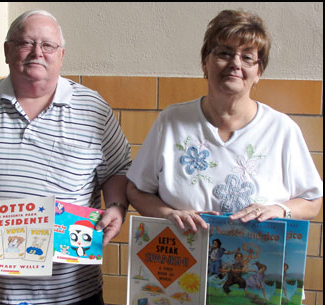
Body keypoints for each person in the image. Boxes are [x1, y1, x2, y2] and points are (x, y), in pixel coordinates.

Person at [0, 10, 131, 305]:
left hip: (72, 291)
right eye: (26, 43)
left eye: (48, 46)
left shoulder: (93, 108)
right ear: (8, 51)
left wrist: (116, 206)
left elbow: (116, 169)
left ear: (61, 55)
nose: (37, 53)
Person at [126, 9, 322, 232]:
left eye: (247, 57)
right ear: (205, 63)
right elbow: (136, 190)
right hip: (182, 262)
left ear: (259, 72)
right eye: (224, 53)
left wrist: (280, 209)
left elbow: (313, 202)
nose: (235, 63)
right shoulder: (171, 121)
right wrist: (170, 214)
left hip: (255, 262)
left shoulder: (282, 130)